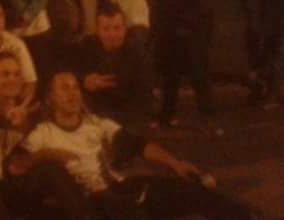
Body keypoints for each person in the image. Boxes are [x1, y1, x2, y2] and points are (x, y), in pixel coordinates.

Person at [18, 72, 254, 220]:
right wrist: (48, 154)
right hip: (89, 201)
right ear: (50, 98)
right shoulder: (43, 134)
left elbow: (137, 145)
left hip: (121, 187)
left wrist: (174, 163)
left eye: (75, 87)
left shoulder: (97, 124)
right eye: (64, 88)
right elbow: (18, 167)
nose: (72, 93)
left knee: (190, 189)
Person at [0, 52, 88, 220]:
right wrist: (4, 118)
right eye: (5, 74)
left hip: (12, 183)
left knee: (52, 170)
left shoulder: (27, 106)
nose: (12, 79)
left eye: (17, 74)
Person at [151, 0, 216, 130]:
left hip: (193, 22)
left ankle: (208, 116)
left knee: (198, 70)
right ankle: (167, 114)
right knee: (170, 72)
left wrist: (189, 21)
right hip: (168, 22)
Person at [76, 4, 152, 127]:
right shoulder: (86, 47)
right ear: (97, 31)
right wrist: (83, 81)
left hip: (127, 116)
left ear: (125, 29)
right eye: (106, 29)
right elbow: (71, 74)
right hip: (94, 116)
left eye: (117, 28)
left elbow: (144, 96)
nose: (112, 34)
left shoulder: (137, 53)